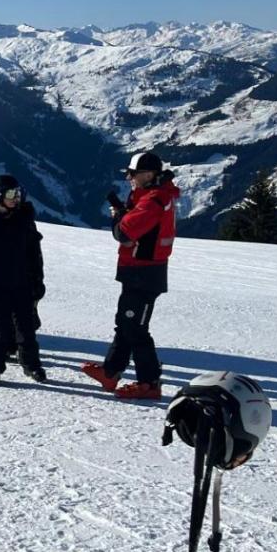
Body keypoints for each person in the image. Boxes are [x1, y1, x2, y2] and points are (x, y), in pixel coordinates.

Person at [82, 150, 181, 401]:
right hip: (138, 270)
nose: (129, 178)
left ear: (149, 174)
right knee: (125, 323)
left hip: (144, 273)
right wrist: (123, 209)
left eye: (133, 173)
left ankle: (149, 384)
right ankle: (110, 372)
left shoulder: (154, 200)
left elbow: (124, 233)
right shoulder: (151, 196)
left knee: (135, 328)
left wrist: (118, 216)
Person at [0, 174, 46, 385]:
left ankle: (32, 365)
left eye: (18, 193)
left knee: (26, 329)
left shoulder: (24, 220)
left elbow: (34, 254)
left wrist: (38, 281)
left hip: (22, 284)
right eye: (12, 194)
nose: (16, 198)